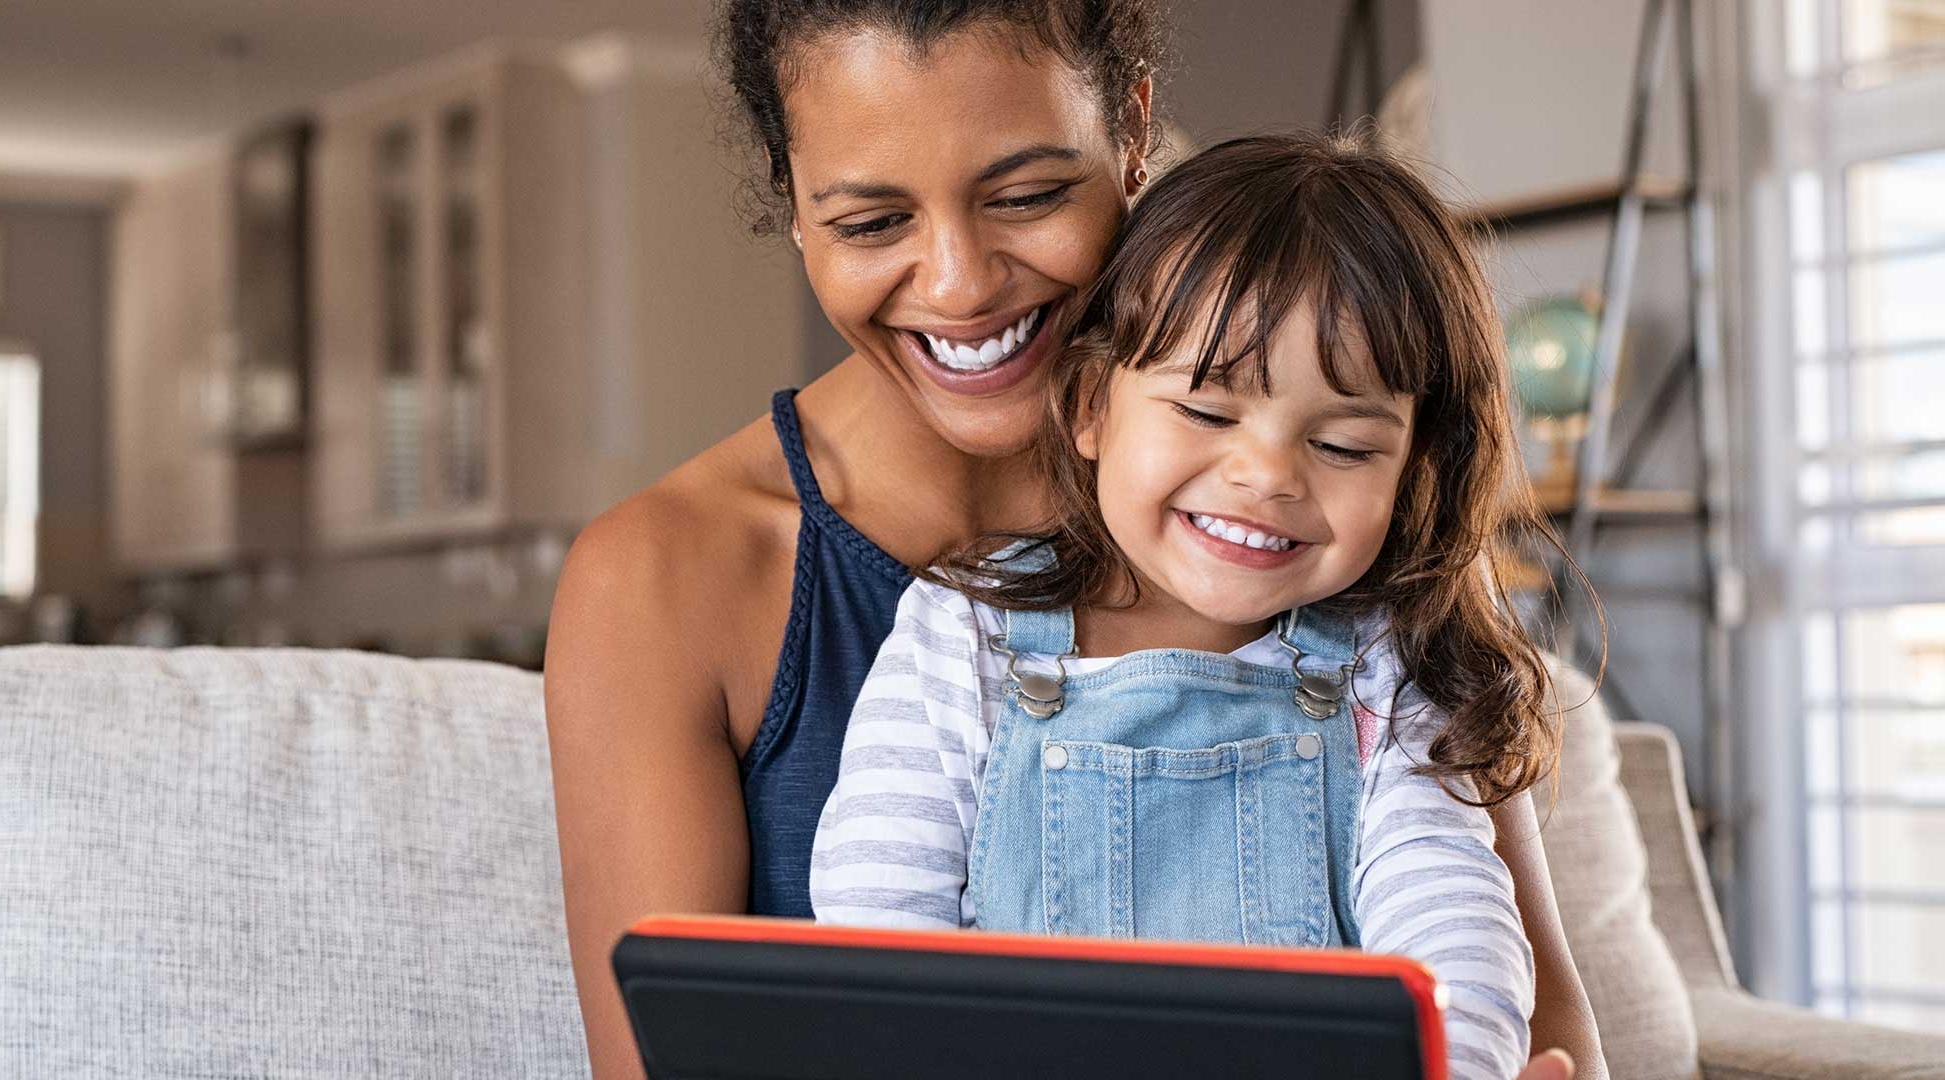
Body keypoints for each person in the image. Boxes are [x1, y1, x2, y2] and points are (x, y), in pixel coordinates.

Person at [544, 4, 1603, 1077]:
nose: (957, 285)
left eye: (1028, 195)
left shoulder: (1326, 531)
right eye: (870, 222)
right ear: (794, 201)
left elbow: (1530, 1014)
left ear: (1132, 131)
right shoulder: (663, 579)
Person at [810, 133, 1553, 1080]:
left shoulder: (1382, 664)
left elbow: (1454, 918)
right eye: (1207, 413)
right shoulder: (964, 632)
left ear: (1412, 475)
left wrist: (1461, 1064)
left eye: (1344, 447)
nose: (1267, 477)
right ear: (1089, 406)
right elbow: (876, 927)